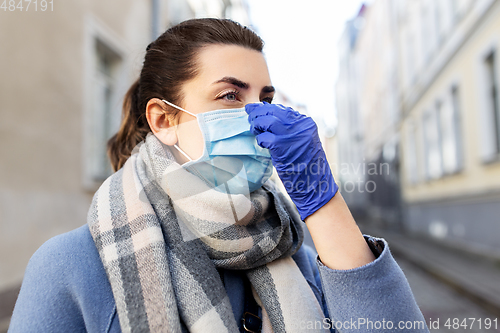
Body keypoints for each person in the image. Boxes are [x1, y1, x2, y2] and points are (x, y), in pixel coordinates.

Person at [9, 18, 429, 333]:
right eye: (230, 96)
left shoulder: (297, 248)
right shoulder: (68, 266)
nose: (258, 116)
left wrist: (323, 201)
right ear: (164, 119)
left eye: (265, 98)